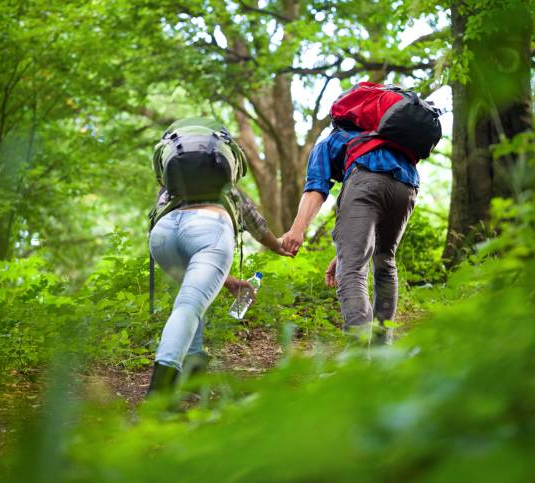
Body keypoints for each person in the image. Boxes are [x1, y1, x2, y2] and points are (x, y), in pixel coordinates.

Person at [147, 118, 291, 397]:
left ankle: (194, 372)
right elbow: (256, 225)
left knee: (189, 300)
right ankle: (160, 392)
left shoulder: (170, 188)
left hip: (163, 236)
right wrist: (278, 246)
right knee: (189, 305)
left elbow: (172, 221)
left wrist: (227, 280)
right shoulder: (227, 188)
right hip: (210, 228)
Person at [281, 128, 418, 344]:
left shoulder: (330, 142)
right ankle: (383, 351)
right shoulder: (389, 137)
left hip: (365, 179)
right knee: (385, 262)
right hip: (407, 186)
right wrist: (346, 251)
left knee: (352, 271)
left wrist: (297, 229)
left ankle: (358, 356)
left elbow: (316, 188)